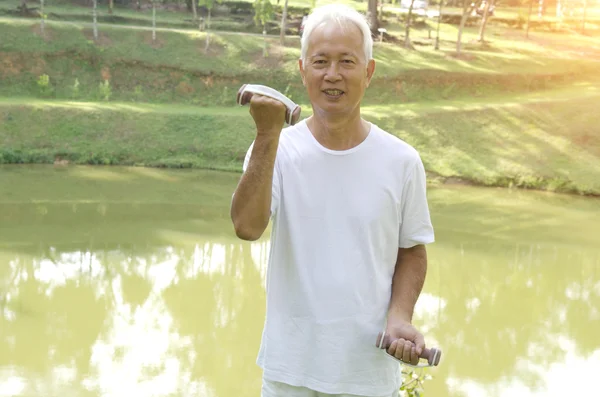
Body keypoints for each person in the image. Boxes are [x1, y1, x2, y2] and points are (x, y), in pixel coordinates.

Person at [230, 4, 435, 397]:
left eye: (347, 61)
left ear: (369, 71)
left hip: (368, 375)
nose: (333, 74)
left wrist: (399, 317)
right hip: (289, 373)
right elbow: (246, 227)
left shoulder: (402, 160)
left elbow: (412, 250)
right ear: (303, 70)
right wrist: (265, 136)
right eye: (320, 61)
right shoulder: (276, 150)